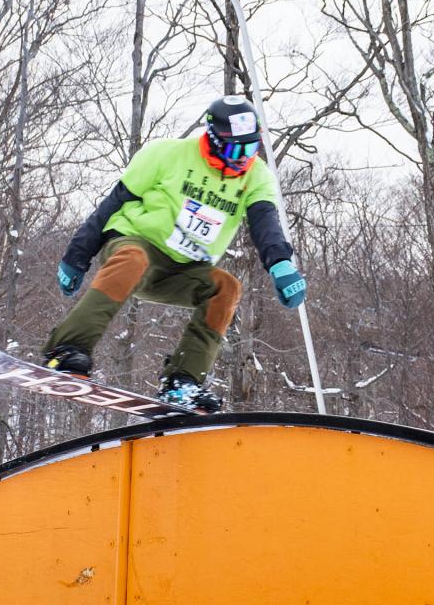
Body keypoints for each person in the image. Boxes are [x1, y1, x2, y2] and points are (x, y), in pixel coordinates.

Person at [41, 95, 307, 412]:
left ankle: (183, 381)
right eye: (235, 150)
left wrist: (281, 265)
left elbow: (266, 224)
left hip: (183, 270)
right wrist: (76, 255)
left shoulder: (256, 175)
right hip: (135, 243)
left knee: (227, 287)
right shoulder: (165, 154)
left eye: (250, 149)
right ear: (212, 139)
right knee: (134, 259)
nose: (242, 160)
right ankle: (68, 349)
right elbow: (112, 203)